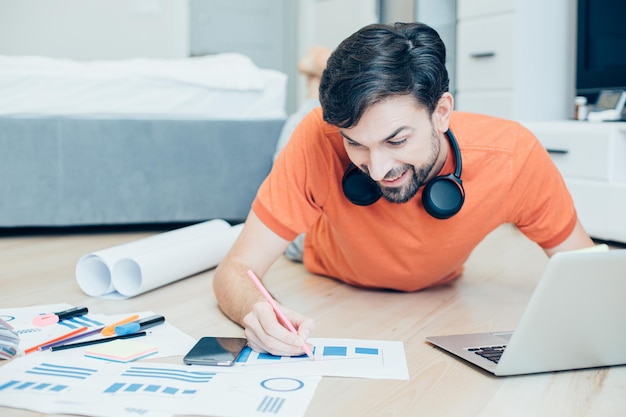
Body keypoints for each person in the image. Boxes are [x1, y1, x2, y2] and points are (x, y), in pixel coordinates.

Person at [213, 22, 595, 357]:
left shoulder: (513, 155)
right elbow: (235, 271)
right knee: (298, 128)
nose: (377, 170)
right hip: (314, 241)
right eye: (355, 143)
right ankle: (316, 75)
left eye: (396, 140)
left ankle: (318, 65)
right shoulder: (320, 137)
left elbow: (590, 273)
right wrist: (259, 314)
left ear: (442, 112)